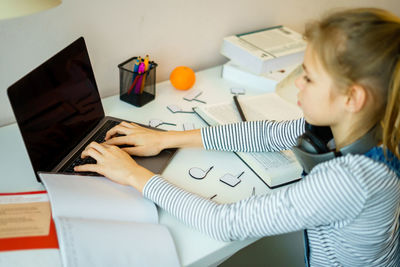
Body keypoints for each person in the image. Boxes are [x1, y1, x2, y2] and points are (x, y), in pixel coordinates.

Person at [75, 8, 400, 266]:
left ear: (352, 99)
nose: (298, 83)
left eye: (310, 78)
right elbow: (267, 133)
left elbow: (224, 223)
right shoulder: (365, 125)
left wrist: (134, 175)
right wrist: (166, 139)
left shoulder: (350, 181)